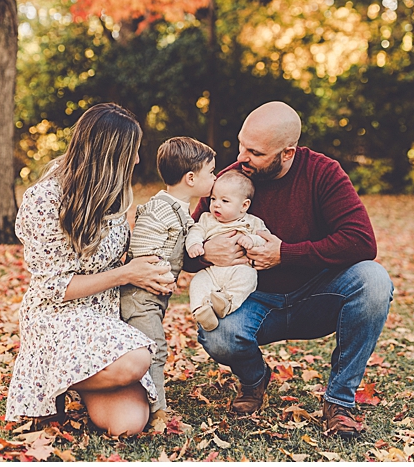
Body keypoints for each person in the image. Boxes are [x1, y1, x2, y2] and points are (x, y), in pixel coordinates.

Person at [183, 101, 393, 438]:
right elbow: (187, 248)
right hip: (251, 299)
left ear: (287, 152)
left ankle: (339, 401)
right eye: (241, 145)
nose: (241, 157)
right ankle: (254, 380)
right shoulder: (230, 181)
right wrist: (207, 252)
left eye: (255, 152)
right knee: (218, 336)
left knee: (374, 280)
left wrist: (285, 254)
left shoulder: (323, 173)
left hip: (317, 296)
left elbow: (361, 241)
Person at [5, 103, 178, 436]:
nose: (139, 160)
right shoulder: (45, 199)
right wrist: (127, 273)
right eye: (134, 152)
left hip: (103, 316)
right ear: (109, 155)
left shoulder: (113, 196)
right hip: (57, 317)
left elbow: (121, 257)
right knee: (137, 359)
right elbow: (54, 287)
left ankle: (78, 380)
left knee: (127, 425)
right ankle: (49, 381)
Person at [120, 136, 211, 424]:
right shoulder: (160, 209)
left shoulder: (180, 210)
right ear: (191, 178)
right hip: (139, 298)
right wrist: (159, 274)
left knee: (149, 348)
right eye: (212, 172)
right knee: (154, 349)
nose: (215, 178)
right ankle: (158, 413)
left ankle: (140, 399)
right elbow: (143, 248)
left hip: (155, 299)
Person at [184, 170, 268, 331]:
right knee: (198, 282)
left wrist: (252, 240)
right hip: (212, 271)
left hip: (239, 268)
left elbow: (265, 238)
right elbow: (195, 231)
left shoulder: (253, 222)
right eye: (213, 199)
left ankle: (226, 303)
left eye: (225, 201)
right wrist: (194, 244)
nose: (216, 204)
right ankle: (201, 311)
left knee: (248, 278)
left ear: (244, 206)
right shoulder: (206, 219)